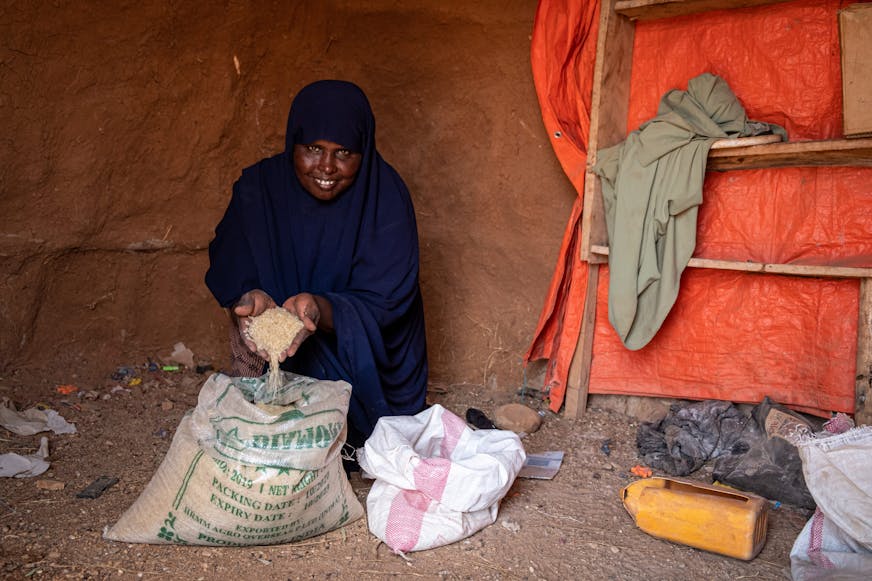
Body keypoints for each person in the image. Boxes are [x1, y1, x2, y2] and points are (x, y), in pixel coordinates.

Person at [205, 80, 429, 449]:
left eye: (344, 153)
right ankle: (261, 407)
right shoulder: (260, 187)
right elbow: (230, 256)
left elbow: (389, 300)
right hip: (277, 348)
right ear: (293, 140)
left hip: (368, 364)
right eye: (312, 149)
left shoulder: (385, 198)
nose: (326, 167)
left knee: (366, 444)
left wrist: (319, 310)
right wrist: (249, 296)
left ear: (364, 150)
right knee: (264, 432)